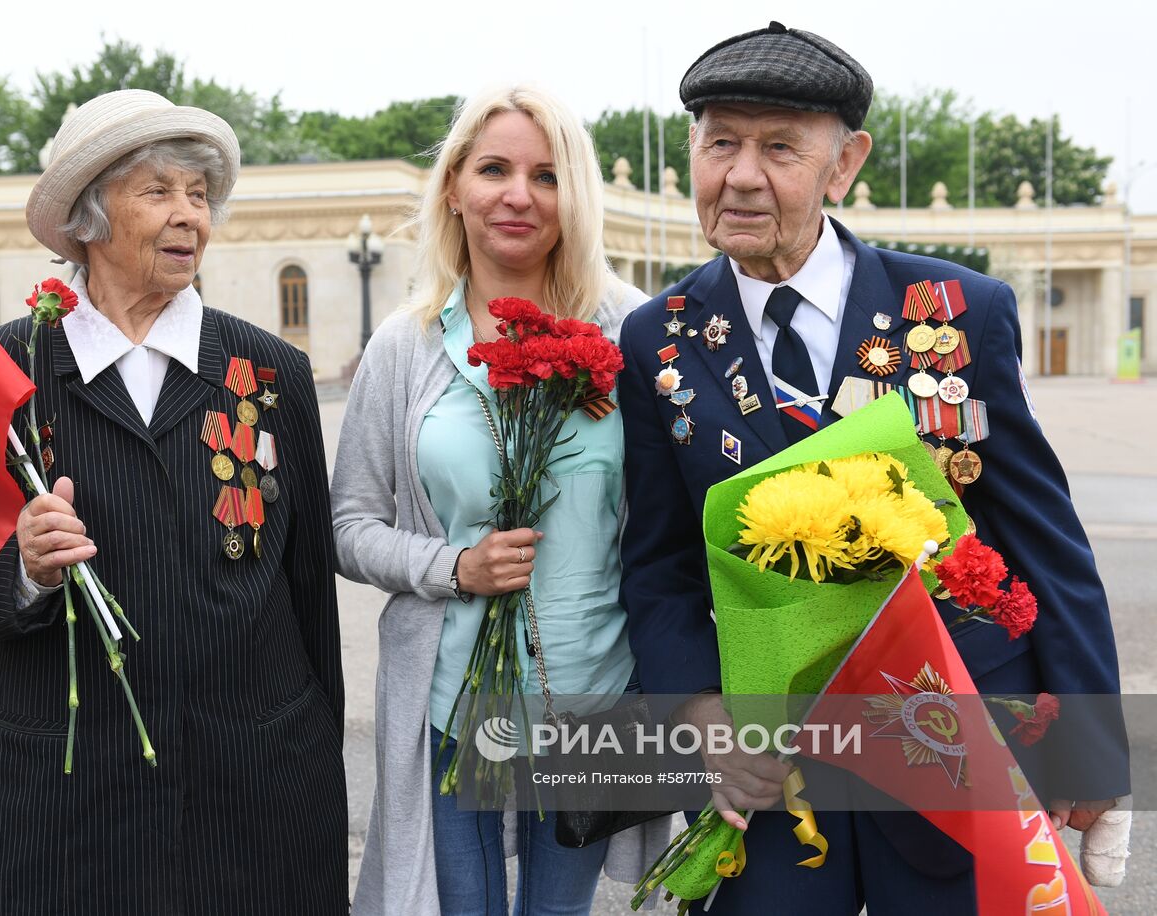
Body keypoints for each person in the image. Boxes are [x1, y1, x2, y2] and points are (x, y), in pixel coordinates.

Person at [618, 22, 1128, 914]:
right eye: (719, 142)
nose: (741, 174)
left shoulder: (958, 309)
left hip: (954, 725)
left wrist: (1088, 733)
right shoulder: (656, 336)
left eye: (779, 147)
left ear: (843, 164)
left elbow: (1042, 533)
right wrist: (699, 712)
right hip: (773, 766)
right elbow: (659, 564)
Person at [0, 90, 347, 915]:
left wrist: (317, 753)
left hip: (254, 775)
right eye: (158, 191)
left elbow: (308, 592)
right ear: (88, 216)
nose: (189, 216)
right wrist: (28, 569)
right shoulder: (7, 371)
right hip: (72, 785)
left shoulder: (269, 370)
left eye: (199, 195)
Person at [332, 85, 669, 915]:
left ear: (576, 196)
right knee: (464, 902)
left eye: (547, 175)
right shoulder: (405, 345)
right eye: (494, 169)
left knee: (558, 909)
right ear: (454, 187)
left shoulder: (633, 331)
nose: (519, 195)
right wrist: (453, 566)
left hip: (597, 691)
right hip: (458, 695)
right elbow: (349, 527)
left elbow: (673, 527)